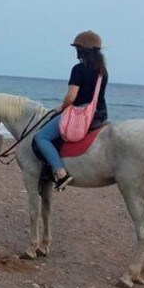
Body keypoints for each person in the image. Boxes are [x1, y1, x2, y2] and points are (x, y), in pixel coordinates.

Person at [33, 30, 108, 190]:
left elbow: (71, 98)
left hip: (81, 113)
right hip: (99, 114)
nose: (76, 52)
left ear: (83, 50)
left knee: (41, 137)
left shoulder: (79, 69)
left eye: (77, 49)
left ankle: (60, 173)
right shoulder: (102, 72)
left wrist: (61, 107)